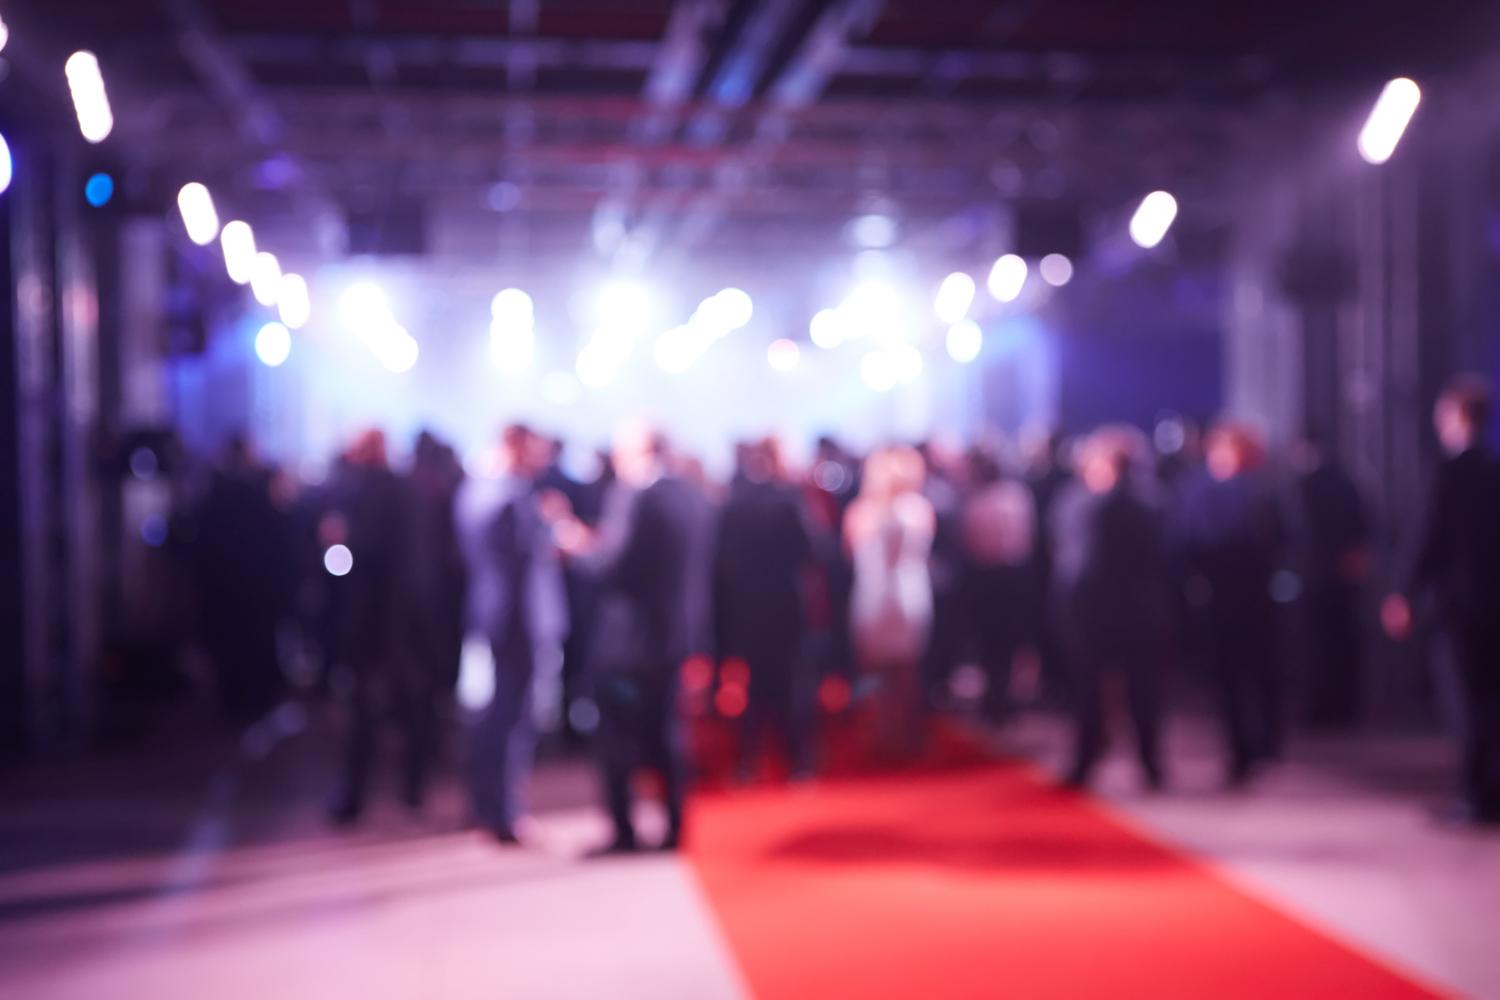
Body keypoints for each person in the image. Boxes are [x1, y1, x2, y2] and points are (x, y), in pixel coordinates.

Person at [564, 423, 713, 853]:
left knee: (617, 739)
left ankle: (624, 831)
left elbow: (612, 567)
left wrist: (577, 546)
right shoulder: (691, 492)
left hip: (628, 643)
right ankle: (675, 828)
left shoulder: (634, 494)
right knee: (666, 734)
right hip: (674, 636)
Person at [1384, 375, 1500, 825]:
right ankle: (1490, 791)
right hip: (1494, 604)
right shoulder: (1495, 472)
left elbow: (1425, 537)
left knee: (1465, 701)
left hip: (1456, 607)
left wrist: (1402, 592)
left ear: (1453, 417)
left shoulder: (1445, 473)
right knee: (1492, 698)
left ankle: (1471, 796)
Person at [454, 424, 568, 843]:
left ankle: (486, 805)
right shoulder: (513, 495)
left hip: (493, 614)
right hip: (521, 619)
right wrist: (550, 524)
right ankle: (503, 812)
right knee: (512, 718)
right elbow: (528, 552)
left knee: (492, 715)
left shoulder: (474, 490)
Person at [1051, 427, 1170, 789]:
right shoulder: (1153, 502)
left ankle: (1103, 760)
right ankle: (1145, 763)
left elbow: (1070, 562)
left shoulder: (1085, 504)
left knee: (1123, 690)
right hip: (1131, 608)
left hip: (1102, 608)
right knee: (1131, 690)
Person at [1180, 421, 1286, 787]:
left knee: (1257, 672)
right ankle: (1244, 747)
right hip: (1229, 597)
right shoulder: (1204, 491)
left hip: (1247, 596)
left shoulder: (1260, 489)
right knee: (1235, 676)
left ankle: (1261, 743)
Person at [327, 429, 416, 824]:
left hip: (370, 614)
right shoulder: (402, 488)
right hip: (403, 614)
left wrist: (340, 542)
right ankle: (412, 788)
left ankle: (355, 794)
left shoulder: (363, 490)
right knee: (408, 703)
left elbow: (356, 553)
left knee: (364, 706)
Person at [714, 437, 816, 780]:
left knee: (752, 687)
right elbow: (811, 551)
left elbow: (721, 563)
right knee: (790, 684)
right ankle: (799, 762)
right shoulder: (789, 499)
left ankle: (747, 761)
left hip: (747, 610)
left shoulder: (733, 504)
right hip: (785, 607)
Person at [194, 434, 294, 724]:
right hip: (252, 592)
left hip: (228, 592)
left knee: (234, 652)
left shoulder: (215, 497)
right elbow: (280, 545)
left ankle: (238, 704)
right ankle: (253, 703)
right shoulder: (257, 497)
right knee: (252, 649)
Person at [845, 445, 935, 759]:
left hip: (874, 596)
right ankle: (910, 734)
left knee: (874, 670)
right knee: (908, 670)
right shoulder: (920, 509)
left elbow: (850, 551)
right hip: (910, 595)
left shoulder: (863, 511)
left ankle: (879, 730)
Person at [1290, 436, 1370, 728]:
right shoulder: (1345, 483)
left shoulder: (1303, 488)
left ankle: (1320, 708)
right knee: (1344, 643)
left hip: (1314, 576)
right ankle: (1347, 707)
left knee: (1316, 646)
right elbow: (1363, 523)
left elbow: (1294, 532)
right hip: (1343, 576)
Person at [959, 446, 1038, 721]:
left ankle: (996, 695)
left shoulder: (977, 500)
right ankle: (1001, 695)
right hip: (1013, 577)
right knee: (1005, 640)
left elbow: (971, 544)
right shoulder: (1017, 496)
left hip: (990, 578)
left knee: (993, 640)